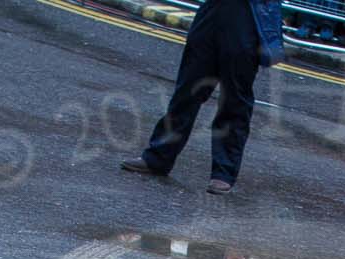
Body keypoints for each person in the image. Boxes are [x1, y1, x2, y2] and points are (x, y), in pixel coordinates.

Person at [119, 0, 286, 194]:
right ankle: (158, 158)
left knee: (234, 99)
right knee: (187, 90)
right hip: (212, 12)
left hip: (248, 16)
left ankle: (223, 173)